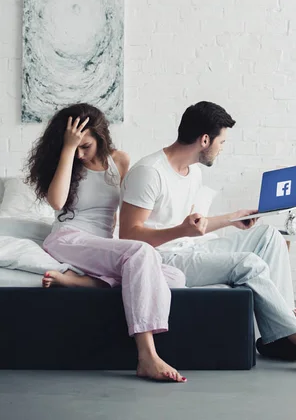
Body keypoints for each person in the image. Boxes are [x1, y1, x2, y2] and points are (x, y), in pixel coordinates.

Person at [119, 101, 296, 374]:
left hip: (189, 247)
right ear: (205, 139)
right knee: (247, 263)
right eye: (222, 141)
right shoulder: (149, 172)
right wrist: (182, 232)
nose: (222, 148)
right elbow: (129, 236)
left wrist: (233, 218)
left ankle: (278, 338)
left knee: (268, 236)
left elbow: (194, 227)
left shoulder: (192, 172)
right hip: (162, 260)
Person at [26, 103, 187, 383]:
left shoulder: (119, 161)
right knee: (141, 254)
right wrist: (67, 148)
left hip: (101, 244)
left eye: (85, 146)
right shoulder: (67, 160)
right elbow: (56, 202)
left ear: (100, 137)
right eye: (75, 146)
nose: (80, 153)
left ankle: (82, 282)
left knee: (174, 277)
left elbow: (129, 214)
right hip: (69, 238)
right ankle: (147, 354)